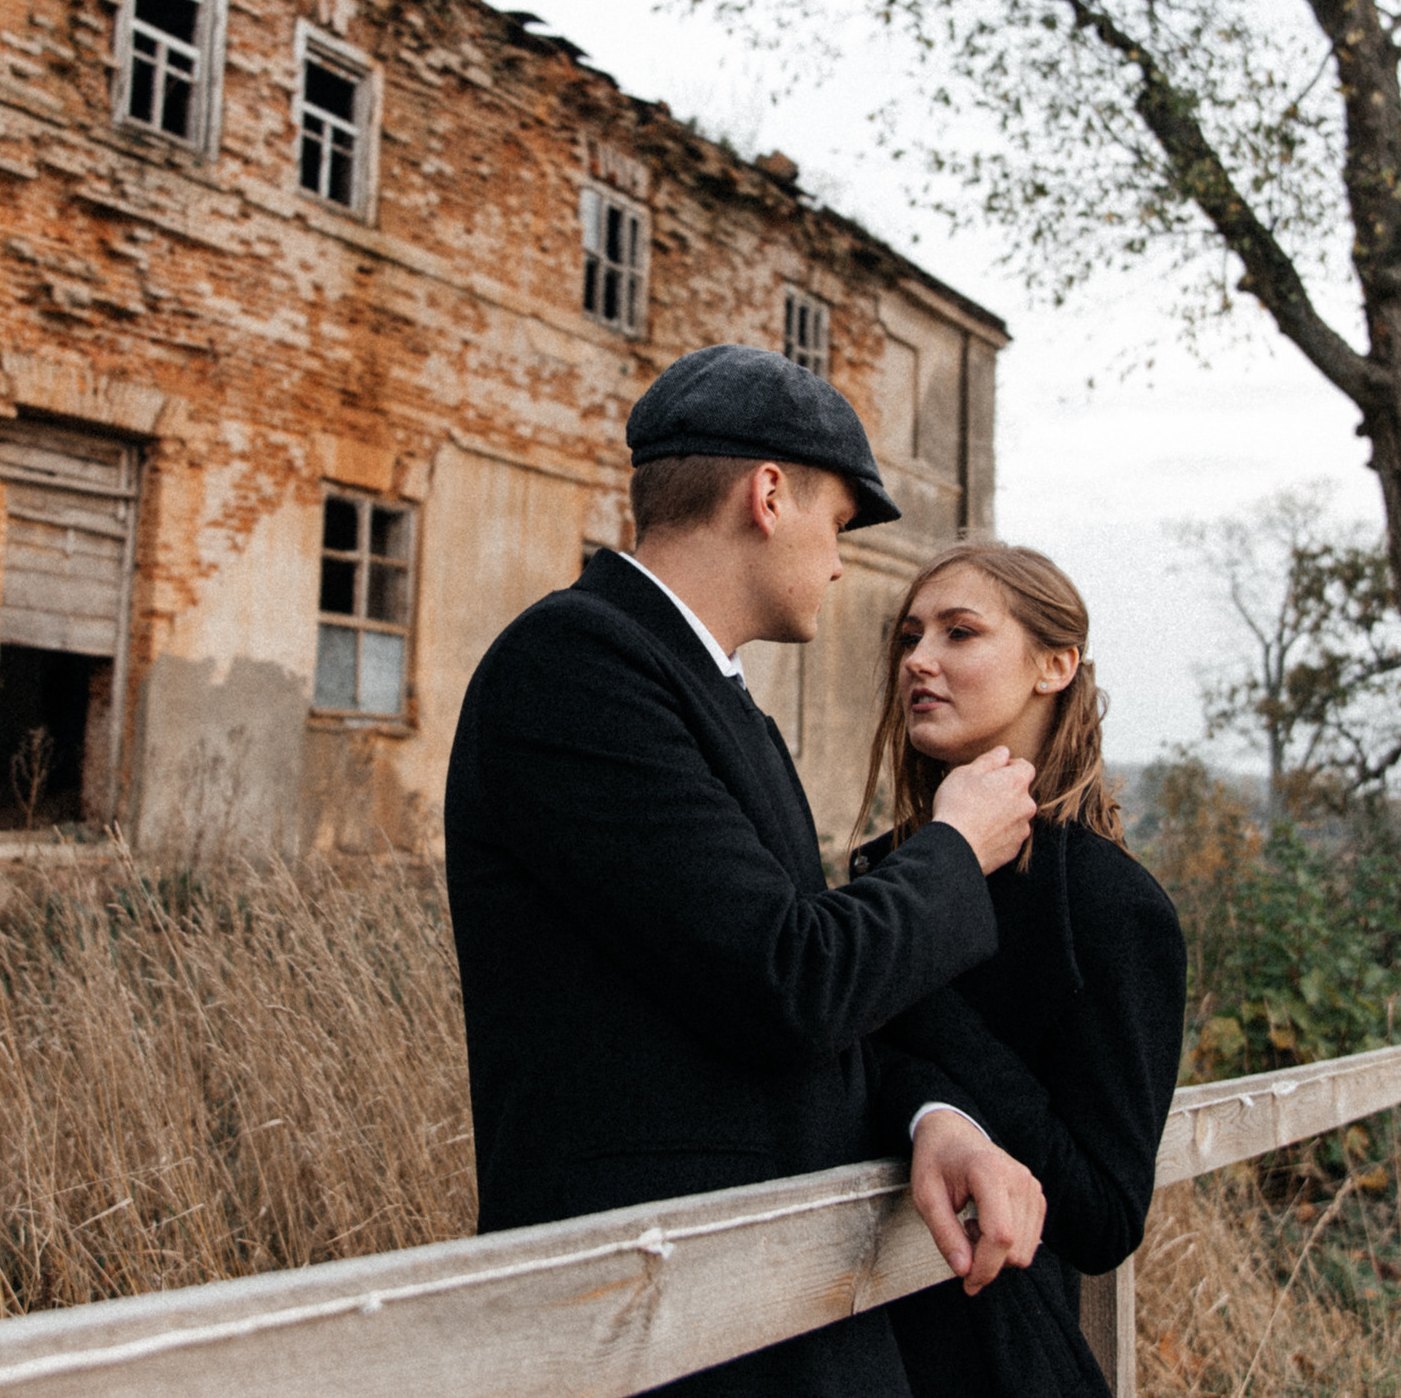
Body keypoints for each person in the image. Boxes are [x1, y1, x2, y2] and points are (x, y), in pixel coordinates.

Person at [446, 345, 1051, 1397]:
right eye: (839, 520)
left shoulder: (711, 699)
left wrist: (931, 1119)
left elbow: (789, 995)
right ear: (768, 495)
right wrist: (956, 845)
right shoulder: (575, 668)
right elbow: (787, 980)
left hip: (761, 1313)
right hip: (655, 1322)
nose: (837, 559)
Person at [853, 544, 1188, 1398]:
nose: (919, 659)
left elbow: (1105, 1211)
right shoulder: (879, 873)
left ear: (1055, 664)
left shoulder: (1112, 907)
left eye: (960, 632)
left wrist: (911, 992)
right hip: (833, 1336)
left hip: (993, 1362)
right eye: (909, 636)